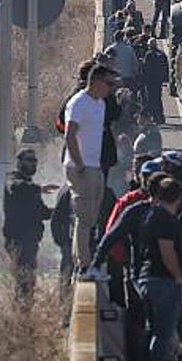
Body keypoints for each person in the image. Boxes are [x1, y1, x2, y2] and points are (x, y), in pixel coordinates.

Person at [91, 173, 182, 361]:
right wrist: (179, 277)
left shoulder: (143, 212)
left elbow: (111, 236)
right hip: (155, 278)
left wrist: (96, 263)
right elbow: (166, 250)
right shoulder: (158, 216)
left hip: (140, 277)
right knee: (160, 331)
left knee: (149, 328)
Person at [63, 65, 115, 271]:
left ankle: (83, 259)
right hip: (81, 167)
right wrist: (80, 165)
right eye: (108, 84)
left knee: (92, 217)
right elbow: (70, 135)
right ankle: (84, 264)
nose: (110, 88)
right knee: (84, 218)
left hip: (95, 166)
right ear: (96, 82)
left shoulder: (100, 104)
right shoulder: (78, 103)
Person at [3, 149, 56, 297]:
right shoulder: (12, 179)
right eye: (29, 160)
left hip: (30, 241)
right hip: (18, 241)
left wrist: (59, 212)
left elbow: (42, 212)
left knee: (28, 283)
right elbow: (16, 188)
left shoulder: (30, 186)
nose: (33, 164)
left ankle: (24, 312)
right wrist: (40, 188)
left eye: (35, 161)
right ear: (20, 162)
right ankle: (19, 314)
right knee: (24, 281)